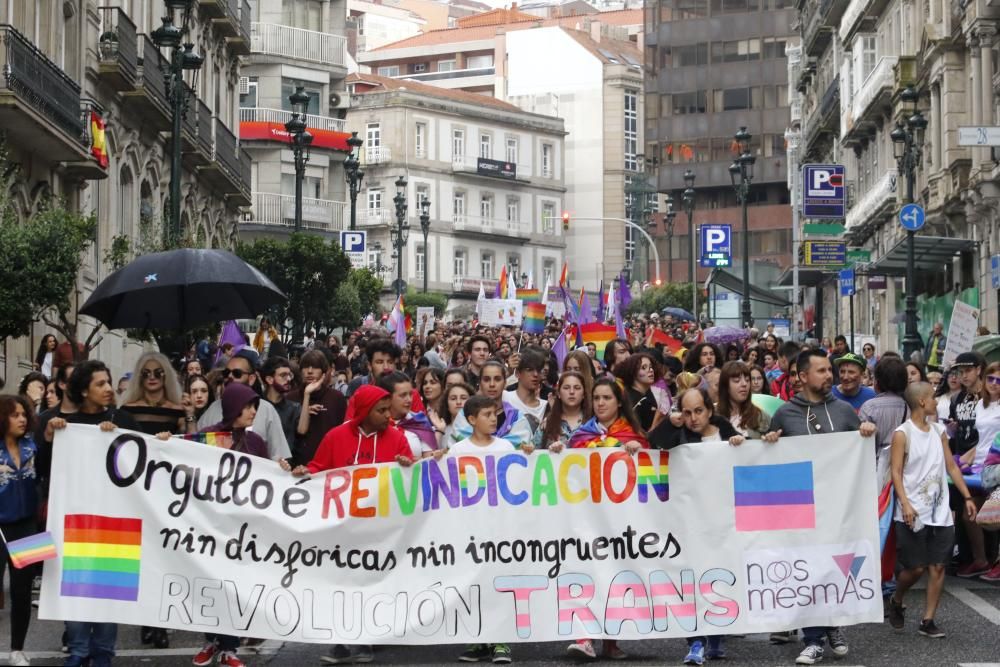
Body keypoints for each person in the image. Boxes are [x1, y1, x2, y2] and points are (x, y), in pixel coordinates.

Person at [765, 349, 877, 665]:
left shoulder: (844, 412)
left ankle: (832, 625)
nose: (829, 375)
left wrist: (865, 432)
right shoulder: (785, 414)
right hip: (801, 510)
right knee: (809, 573)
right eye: (821, 370)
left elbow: (858, 455)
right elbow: (772, 465)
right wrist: (770, 441)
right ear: (801, 377)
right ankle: (813, 639)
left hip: (839, 509)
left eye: (830, 369)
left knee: (833, 570)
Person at [289, 384, 413, 665]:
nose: (387, 416)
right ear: (364, 412)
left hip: (379, 529)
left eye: (387, 410)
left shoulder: (397, 438)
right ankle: (342, 642)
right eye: (381, 411)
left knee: (371, 581)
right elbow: (320, 468)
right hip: (341, 528)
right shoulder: (336, 436)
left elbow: (410, 477)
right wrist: (305, 471)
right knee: (342, 583)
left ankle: (366, 639)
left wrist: (408, 465)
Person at [46, 360, 143, 667]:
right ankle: (77, 653)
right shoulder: (58, 422)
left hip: (113, 528)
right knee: (74, 596)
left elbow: (147, 456)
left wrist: (122, 439)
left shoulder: (122, 418)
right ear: (83, 390)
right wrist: (49, 436)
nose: (108, 388)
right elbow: (40, 470)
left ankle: (102, 657)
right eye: (100, 384)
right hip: (72, 525)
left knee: (106, 599)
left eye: (109, 381)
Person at [887, 382, 977, 638]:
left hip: (940, 511)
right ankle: (897, 598)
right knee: (915, 568)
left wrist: (967, 496)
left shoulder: (939, 431)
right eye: (933, 398)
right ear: (922, 402)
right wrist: (904, 502)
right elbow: (896, 471)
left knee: (938, 566)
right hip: (912, 509)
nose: (937, 402)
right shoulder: (902, 434)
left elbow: (952, 467)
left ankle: (928, 620)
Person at [564, 378, 646, 661]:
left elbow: (647, 472)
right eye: (596, 398)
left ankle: (611, 641)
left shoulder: (632, 435)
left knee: (615, 575)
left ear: (619, 402)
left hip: (620, 520)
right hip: (587, 516)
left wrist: (639, 451)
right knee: (588, 573)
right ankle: (585, 637)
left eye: (606, 398)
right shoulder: (580, 436)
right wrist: (557, 453)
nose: (600, 403)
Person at [0, 395, 40, 667]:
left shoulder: (32, 445)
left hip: (27, 526)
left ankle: (17, 649)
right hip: (0, 526)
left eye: (24, 413)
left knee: (22, 591)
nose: (22, 419)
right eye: (15, 415)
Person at [196, 350, 291, 463]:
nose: (230, 377)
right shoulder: (212, 409)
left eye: (237, 373)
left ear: (251, 379)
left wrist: (282, 465)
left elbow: (279, 458)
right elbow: (191, 449)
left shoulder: (267, 411)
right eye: (226, 373)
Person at [947, 352, 990, 578]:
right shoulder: (957, 399)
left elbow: (988, 436)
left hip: (985, 462)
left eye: (967, 371)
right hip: (964, 466)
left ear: (979, 370)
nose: (962, 376)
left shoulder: (988, 397)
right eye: (959, 372)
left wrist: (967, 458)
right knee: (966, 513)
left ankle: (985, 559)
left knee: (979, 514)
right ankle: (976, 558)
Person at [447, 361, 535, 448]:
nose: (492, 384)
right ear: (480, 384)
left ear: (505, 383)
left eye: (497, 379)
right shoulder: (465, 415)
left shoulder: (517, 418)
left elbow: (524, 451)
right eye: (486, 379)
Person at [290, 350, 346, 466]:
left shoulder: (336, 397)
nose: (310, 371)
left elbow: (342, 432)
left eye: (315, 367)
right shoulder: (291, 398)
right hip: (298, 464)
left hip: (327, 464)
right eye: (305, 367)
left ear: (324, 372)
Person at [858, 357, 910, 457]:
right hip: (902, 464)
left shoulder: (869, 407)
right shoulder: (908, 405)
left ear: (876, 383)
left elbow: (862, 442)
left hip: (876, 465)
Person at [536, 371, 590, 449]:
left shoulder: (593, 422)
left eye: (577, 388)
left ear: (584, 394)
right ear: (558, 393)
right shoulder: (548, 422)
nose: (572, 392)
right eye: (566, 388)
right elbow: (532, 452)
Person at [260, 356, 303, 456]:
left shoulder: (294, 408)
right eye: (283, 375)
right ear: (269, 379)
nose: (288, 379)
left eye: (289, 375)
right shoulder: (255, 406)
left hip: (286, 466)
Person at [717, 361, 771, 438]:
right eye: (737, 380)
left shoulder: (761, 417)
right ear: (725, 385)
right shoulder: (712, 417)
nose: (744, 384)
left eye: (747, 380)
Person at [616, 352, 660, 431]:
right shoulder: (639, 402)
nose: (650, 370)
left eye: (651, 367)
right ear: (633, 372)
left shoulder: (629, 394)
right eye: (643, 367)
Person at [501, 348, 547, 423]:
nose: (535, 374)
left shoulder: (545, 406)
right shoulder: (504, 397)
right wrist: (507, 373)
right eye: (529, 370)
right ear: (518, 373)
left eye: (538, 370)